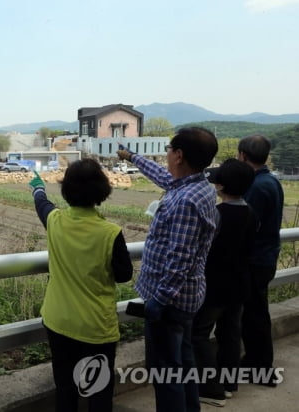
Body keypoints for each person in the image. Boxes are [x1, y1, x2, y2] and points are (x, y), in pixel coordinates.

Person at [116, 126, 219, 412]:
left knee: (165, 371)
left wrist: (159, 301)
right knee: (182, 361)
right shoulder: (197, 185)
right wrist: (133, 157)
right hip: (187, 298)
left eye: (168, 150)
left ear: (179, 155)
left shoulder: (186, 200)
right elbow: (164, 177)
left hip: (171, 301)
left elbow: (180, 258)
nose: (166, 156)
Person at [29, 160, 133, 412]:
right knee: (97, 389)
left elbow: (42, 205)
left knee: (65, 388)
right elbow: (123, 275)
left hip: (59, 321)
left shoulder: (55, 221)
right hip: (95, 327)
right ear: (102, 191)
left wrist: (37, 187)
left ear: (66, 190)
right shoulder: (110, 232)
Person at [192, 159, 259, 407]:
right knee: (230, 332)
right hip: (240, 284)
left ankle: (211, 389)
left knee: (198, 334)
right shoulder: (251, 214)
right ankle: (229, 383)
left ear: (219, 186)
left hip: (215, 286)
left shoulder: (217, 215)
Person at [237, 134, 284, 386]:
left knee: (253, 316)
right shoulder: (271, 181)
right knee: (257, 313)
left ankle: (260, 367)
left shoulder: (255, 187)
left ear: (243, 156)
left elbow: (247, 227)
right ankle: (257, 362)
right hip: (266, 257)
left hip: (254, 260)